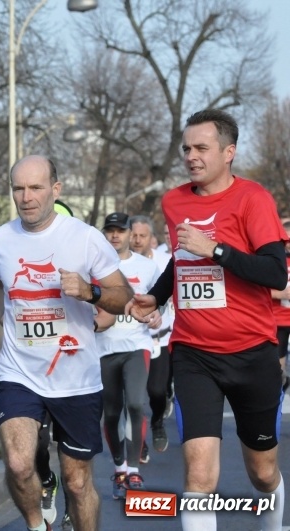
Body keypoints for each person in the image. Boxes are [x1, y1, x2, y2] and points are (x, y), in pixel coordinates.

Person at [127, 109, 286, 531]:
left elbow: (275, 273)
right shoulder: (174, 201)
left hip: (253, 352)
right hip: (194, 353)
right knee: (198, 475)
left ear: (228, 152)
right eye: (186, 148)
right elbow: (180, 263)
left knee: (263, 473)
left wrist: (216, 250)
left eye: (201, 148)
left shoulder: (253, 200)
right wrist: (156, 297)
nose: (191, 156)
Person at [0, 155, 133, 531]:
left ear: (55, 190)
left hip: (75, 377)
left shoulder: (85, 237)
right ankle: (36, 525)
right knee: (17, 463)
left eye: (36, 188)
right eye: (18, 188)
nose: (26, 197)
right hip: (19, 370)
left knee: (77, 483)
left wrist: (90, 291)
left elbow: (122, 295)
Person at [95, 212, 161, 499]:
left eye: (120, 230)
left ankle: (134, 471)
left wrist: (158, 314)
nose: (115, 236)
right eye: (109, 231)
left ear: (128, 233)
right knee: (111, 412)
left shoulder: (146, 267)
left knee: (135, 403)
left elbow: (163, 299)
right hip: (104, 348)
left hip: (136, 345)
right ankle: (119, 468)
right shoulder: (94, 267)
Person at [129, 215, 174, 455]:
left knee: (156, 391)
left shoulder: (165, 260)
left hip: (160, 338)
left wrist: (161, 311)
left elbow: (172, 294)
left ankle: (157, 421)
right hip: (132, 340)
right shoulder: (119, 263)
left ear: (151, 238)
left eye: (142, 236)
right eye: (133, 235)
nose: (137, 240)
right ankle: (139, 443)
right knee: (133, 399)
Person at [270, 219, 290, 387]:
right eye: (286, 240)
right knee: (278, 370)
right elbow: (256, 289)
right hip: (279, 321)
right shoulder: (274, 260)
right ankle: (280, 390)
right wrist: (279, 293)